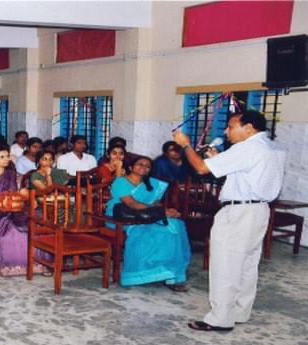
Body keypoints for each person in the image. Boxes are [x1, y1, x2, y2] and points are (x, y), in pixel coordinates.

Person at [173, 110, 286, 332]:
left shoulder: (246, 148)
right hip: (259, 210)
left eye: (231, 126)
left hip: (238, 213)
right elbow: (248, 174)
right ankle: (240, 311)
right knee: (247, 263)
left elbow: (201, 168)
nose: (226, 131)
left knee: (226, 263)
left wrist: (185, 145)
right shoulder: (272, 148)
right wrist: (219, 159)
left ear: (249, 128)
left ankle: (220, 318)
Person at [105, 156, 191, 290]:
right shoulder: (121, 182)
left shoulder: (151, 183)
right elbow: (131, 204)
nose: (143, 167)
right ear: (131, 167)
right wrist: (162, 212)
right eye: (140, 164)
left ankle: (171, 275)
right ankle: (145, 271)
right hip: (124, 219)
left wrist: (167, 210)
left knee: (176, 226)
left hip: (147, 216)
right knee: (159, 232)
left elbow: (155, 203)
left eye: (147, 166)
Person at [0, 145, 47, 277]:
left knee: (36, 224)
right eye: (1, 157)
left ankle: (38, 263)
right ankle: (12, 265)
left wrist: (30, 199)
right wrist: (2, 203)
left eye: (7, 156)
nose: (6, 159)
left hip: (15, 208)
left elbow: (23, 193)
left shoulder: (13, 175)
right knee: (11, 228)